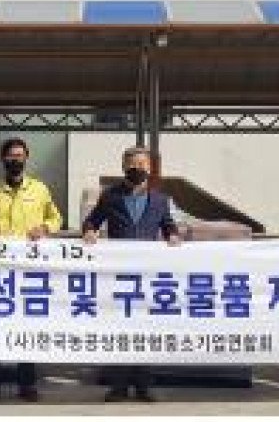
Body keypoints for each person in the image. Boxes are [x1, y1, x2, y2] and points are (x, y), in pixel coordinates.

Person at [82, 146, 181, 403]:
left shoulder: (160, 200)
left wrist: (172, 235)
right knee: (120, 330)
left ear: (150, 168)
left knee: (146, 329)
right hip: (120, 275)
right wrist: (90, 230)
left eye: (142, 164)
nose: (137, 168)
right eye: (132, 164)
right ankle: (119, 386)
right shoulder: (110, 196)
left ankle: (144, 386)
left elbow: (168, 224)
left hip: (147, 275)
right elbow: (92, 220)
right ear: (124, 167)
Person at [0, 137, 62, 402]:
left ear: (26, 158)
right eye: (11, 156)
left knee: (27, 328)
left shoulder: (39, 189)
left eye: (20, 156)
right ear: (3, 159)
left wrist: (44, 228)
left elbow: (55, 217)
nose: (16, 160)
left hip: (28, 271)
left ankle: (27, 384)